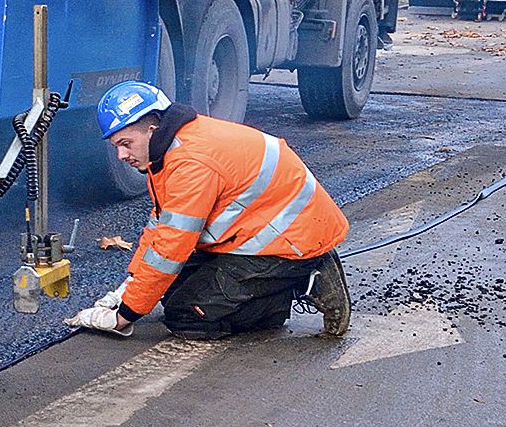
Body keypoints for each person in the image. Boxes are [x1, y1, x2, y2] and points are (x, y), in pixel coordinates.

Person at [67, 81, 353, 340]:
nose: (121, 156)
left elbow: (170, 250)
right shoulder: (171, 146)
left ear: (152, 129)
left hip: (292, 241)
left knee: (186, 316)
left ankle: (302, 279)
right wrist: (131, 283)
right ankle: (275, 285)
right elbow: (161, 224)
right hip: (263, 232)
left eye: (126, 144)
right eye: (117, 146)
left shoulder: (191, 163)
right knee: (170, 292)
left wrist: (124, 316)